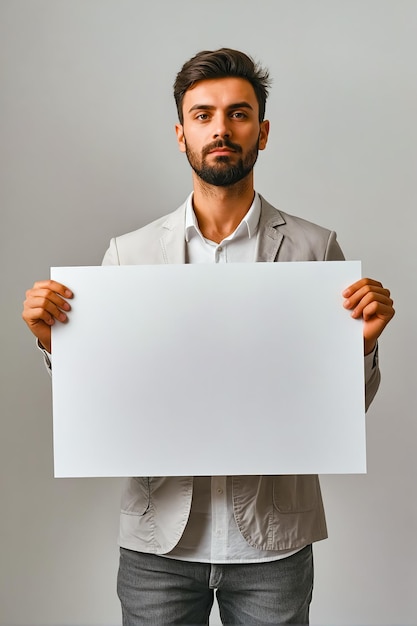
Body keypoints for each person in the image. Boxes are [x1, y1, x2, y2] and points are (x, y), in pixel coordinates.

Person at [22, 48, 395, 625]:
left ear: (263, 132)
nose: (221, 128)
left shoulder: (315, 249)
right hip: (158, 544)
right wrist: (55, 343)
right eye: (203, 115)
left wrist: (365, 345)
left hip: (275, 542)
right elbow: (106, 401)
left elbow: (344, 409)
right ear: (181, 134)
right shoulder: (130, 254)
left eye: (238, 113)